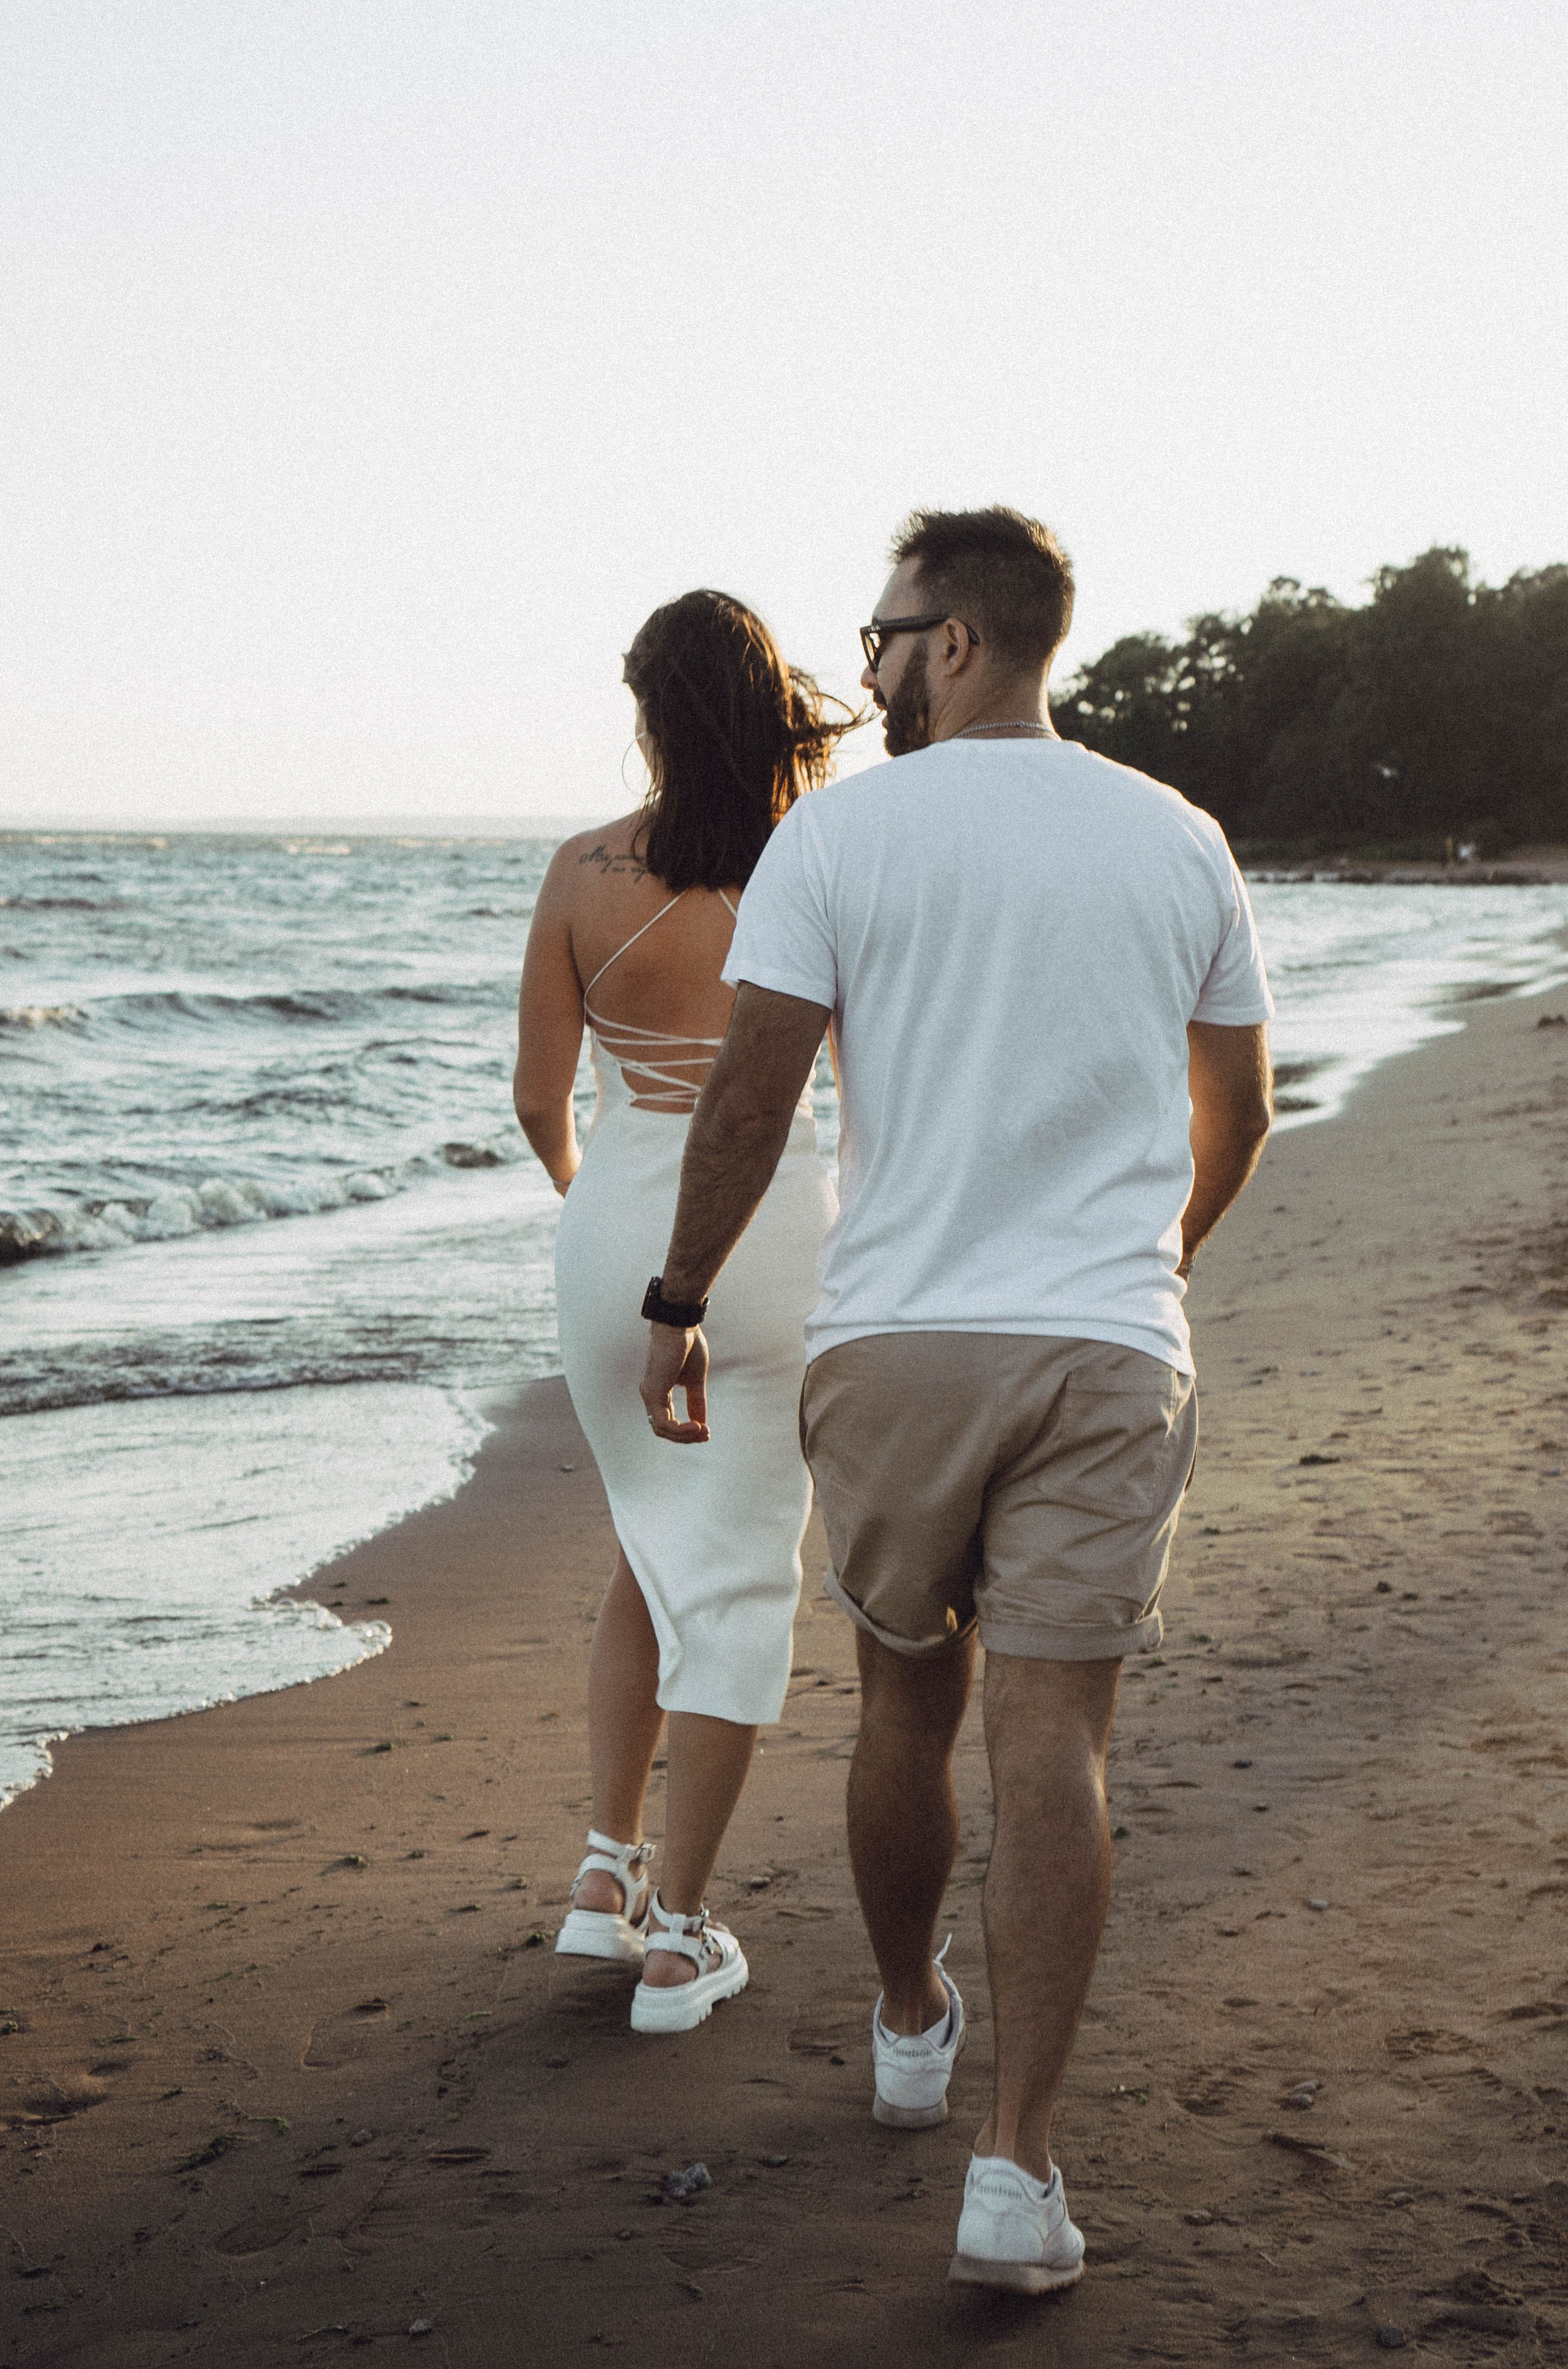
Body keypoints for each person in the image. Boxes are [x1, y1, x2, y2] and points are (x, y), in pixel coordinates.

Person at [638, 508, 1273, 2290]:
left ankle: (911, 2018)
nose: (873, 668)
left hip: (899, 1338)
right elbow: (1242, 1114)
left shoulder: (839, 837)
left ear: (965, 641)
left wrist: (677, 1303)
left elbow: (750, 1105)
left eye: (888, 634)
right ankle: (1017, 2172)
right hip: (1104, 1346)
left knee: (906, 1716)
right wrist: (1163, 1265)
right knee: (1057, 1740)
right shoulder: (1179, 839)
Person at [514, 589, 854, 2034]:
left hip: (608, 1248)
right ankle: (679, 1935)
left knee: (651, 1549)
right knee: (729, 1575)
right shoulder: (814, 862)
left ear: (647, 710)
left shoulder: (581, 870)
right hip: (768, 1234)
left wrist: (599, 1211)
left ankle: (601, 1878)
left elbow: (540, 1101)